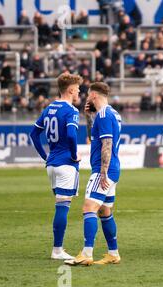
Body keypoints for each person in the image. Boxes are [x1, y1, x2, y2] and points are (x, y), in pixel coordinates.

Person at [65, 82, 122, 266]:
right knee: (105, 211)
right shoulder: (111, 113)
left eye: (88, 94)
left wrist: (103, 172)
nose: (86, 97)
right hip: (113, 168)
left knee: (89, 208)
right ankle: (113, 253)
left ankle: (86, 253)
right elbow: (95, 137)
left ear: (94, 96)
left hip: (103, 169)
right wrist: (89, 117)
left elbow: (107, 144)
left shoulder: (104, 114)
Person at [30, 73, 83, 260]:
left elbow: (33, 135)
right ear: (70, 89)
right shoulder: (71, 111)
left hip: (51, 164)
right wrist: (75, 155)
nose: (79, 92)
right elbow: (70, 135)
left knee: (60, 205)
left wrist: (45, 156)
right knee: (63, 207)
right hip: (66, 164)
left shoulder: (49, 108)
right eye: (77, 89)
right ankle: (57, 250)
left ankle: (58, 247)